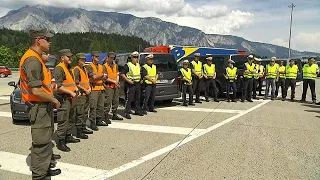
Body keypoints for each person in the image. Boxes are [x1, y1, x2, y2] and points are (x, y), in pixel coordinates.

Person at [19, 28, 61, 179]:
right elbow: (36, 91)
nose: (50, 42)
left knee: (46, 140)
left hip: (43, 106)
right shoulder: (32, 60)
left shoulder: (37, 58)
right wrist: (54, 99)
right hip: (39, 107)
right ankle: (39, 176)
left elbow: (43, 86)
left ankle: (46, 168)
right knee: (41, 144)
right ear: (38, 41)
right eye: (47, 39)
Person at [54, 49, 80, 152]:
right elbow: (58, 86)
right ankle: (61, 140)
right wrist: (71, 92)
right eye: (68, 57)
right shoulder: (59, 69)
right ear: (62, 57)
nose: (71, 58)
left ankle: (68, 136)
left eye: (71, 56)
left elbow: (70, 82)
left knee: (71, 118)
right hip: (64, 99)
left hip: (71, 98)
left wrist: (76, 89)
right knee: (63, 120)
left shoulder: (68, 68)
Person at [72, 53, 93, 139]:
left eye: (84, 59)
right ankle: (79, 131)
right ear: (78, 60)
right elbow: (76, 83)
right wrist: (85, 90)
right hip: (81, 95)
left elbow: (87, 81)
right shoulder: (77, 69)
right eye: (82, 59)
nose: (84, 61)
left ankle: (83, 127)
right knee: (80, 113)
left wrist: (89, 89)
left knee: (85, 112)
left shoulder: (84, 69)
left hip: (87, 93)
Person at [86, 51, 108, 130]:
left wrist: (99, 76)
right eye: (96, 56)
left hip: (101, 87)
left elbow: (105, 76)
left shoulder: (101, 66)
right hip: (94, 88)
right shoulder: (89, 66)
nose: (97, 58)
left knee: (101, 105)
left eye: (98, 56)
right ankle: (92, 121)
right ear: (92, 57)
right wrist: (101, 75)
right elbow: (93, 77)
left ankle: (99, 120)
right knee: (93, 106)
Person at [120, 51, 144, 119]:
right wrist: (128, 80)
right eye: (134, 57)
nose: (135, 58)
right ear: (131, 57)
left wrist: (141, 79)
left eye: (137, 57)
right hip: (131, 84)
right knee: (129, 99)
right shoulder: (128, 65)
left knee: (138, 98)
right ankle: (127, 112)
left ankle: (137, 110)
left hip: (138, 83)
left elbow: (140, 73)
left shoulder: (138, 65)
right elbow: (122, 74)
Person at [103, 52, 123, 121]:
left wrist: (117, 81)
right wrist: (114, 81)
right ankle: (105, 115)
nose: (112, 59)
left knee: (116, 101)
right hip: (109, 86)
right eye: (111, 57)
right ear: (108, 57)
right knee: (108, 102)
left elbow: (117, 74)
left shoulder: (115, 65)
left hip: (115, 86)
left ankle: (114, 114)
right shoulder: (104, 66)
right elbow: (105, 77)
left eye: (113, 58)